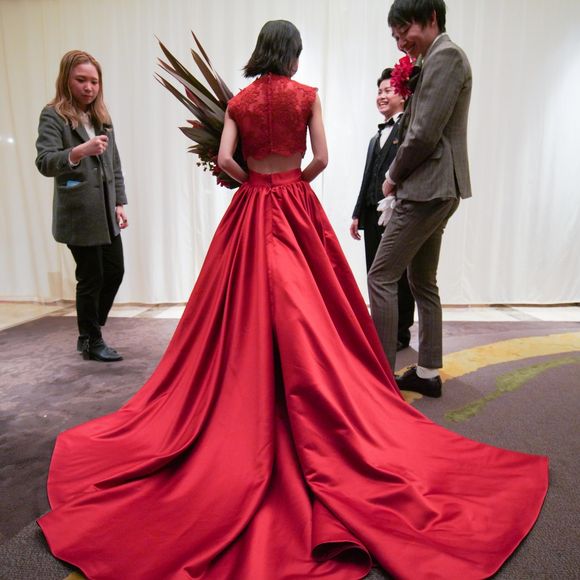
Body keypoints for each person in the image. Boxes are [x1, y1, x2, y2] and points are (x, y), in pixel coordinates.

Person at [37, 20, 547, 580]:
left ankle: (250, 389)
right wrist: (295, 181)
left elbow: (225, 160)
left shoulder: (240, 102)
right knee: (314, 304)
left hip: (253, 205)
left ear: (260, 52)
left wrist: (254, 181)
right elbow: (323, 157)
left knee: (237, 305)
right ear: (294, 55)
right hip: (296, 203)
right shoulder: (307, 97)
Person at [369, 0, 471, 397]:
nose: (401, 43)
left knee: (381, 276)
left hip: (427, 187)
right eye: (395, 36)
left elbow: (424, 132)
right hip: (439, 188)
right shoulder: (434, 58)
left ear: (431, 18)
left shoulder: (446, 57)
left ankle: (379, 378)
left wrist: (392, 176)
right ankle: (427, 372)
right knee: (422, 281)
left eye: (404, 32)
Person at [35, 50, 128, 362]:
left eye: (94, 81)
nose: (89, 87)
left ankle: (89, 330)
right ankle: (91, 340)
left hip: (105, 211)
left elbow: (114, 163)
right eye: (81, 80)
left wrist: (119, 202)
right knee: (91, 277)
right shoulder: (53, 116)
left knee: (115, 271)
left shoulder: (102, 118)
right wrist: (78, 152)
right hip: (78, 212)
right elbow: (45, 162)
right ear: (66, 80)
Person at [350, 68, 415, 351]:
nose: (382, 96)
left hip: (397, 211)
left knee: (398, 274)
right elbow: (367, 178)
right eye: (379, 92)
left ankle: (400, 332)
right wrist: (357, 214)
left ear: (404, 95)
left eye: (388, 90)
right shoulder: (374, 138)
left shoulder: (409, 129)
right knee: (374, 272)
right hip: (372, 212)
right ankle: (381, 328)